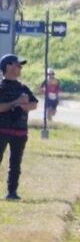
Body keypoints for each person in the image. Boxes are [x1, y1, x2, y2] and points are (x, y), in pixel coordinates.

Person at [0, 55, 38, 200]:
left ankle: (12, 192)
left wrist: (22, 106)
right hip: (2, 130)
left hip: (20, 131)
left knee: (15, 163)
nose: (20, 68)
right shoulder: (1, 87)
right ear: (8, 67)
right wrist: (15, 102)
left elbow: (34, 104)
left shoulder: (23, 87)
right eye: (17, 65)